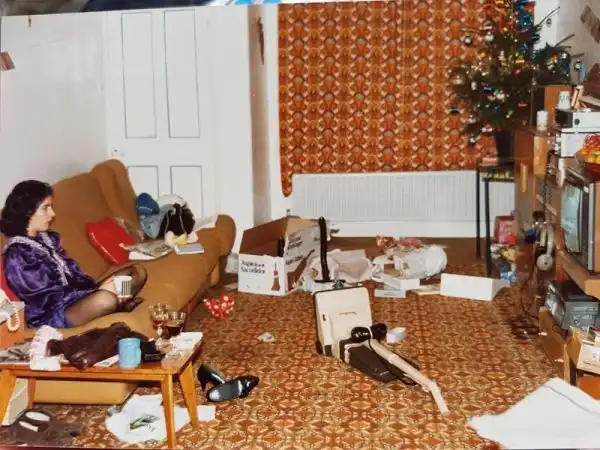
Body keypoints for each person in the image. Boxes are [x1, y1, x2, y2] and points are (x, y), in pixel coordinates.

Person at [0, 180, 147, 329]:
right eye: (45, 208)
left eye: (51, 207)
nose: (52, 214)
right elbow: (46, 299)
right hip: (53, 314)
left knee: (137, 271)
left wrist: (96, 289)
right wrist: (98, 292)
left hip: (78, 297)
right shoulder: (16, 255)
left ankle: (120, 301)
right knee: (104, 300)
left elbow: (75, 276)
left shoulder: (45, 237)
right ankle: (115, 303)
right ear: (28, 212)